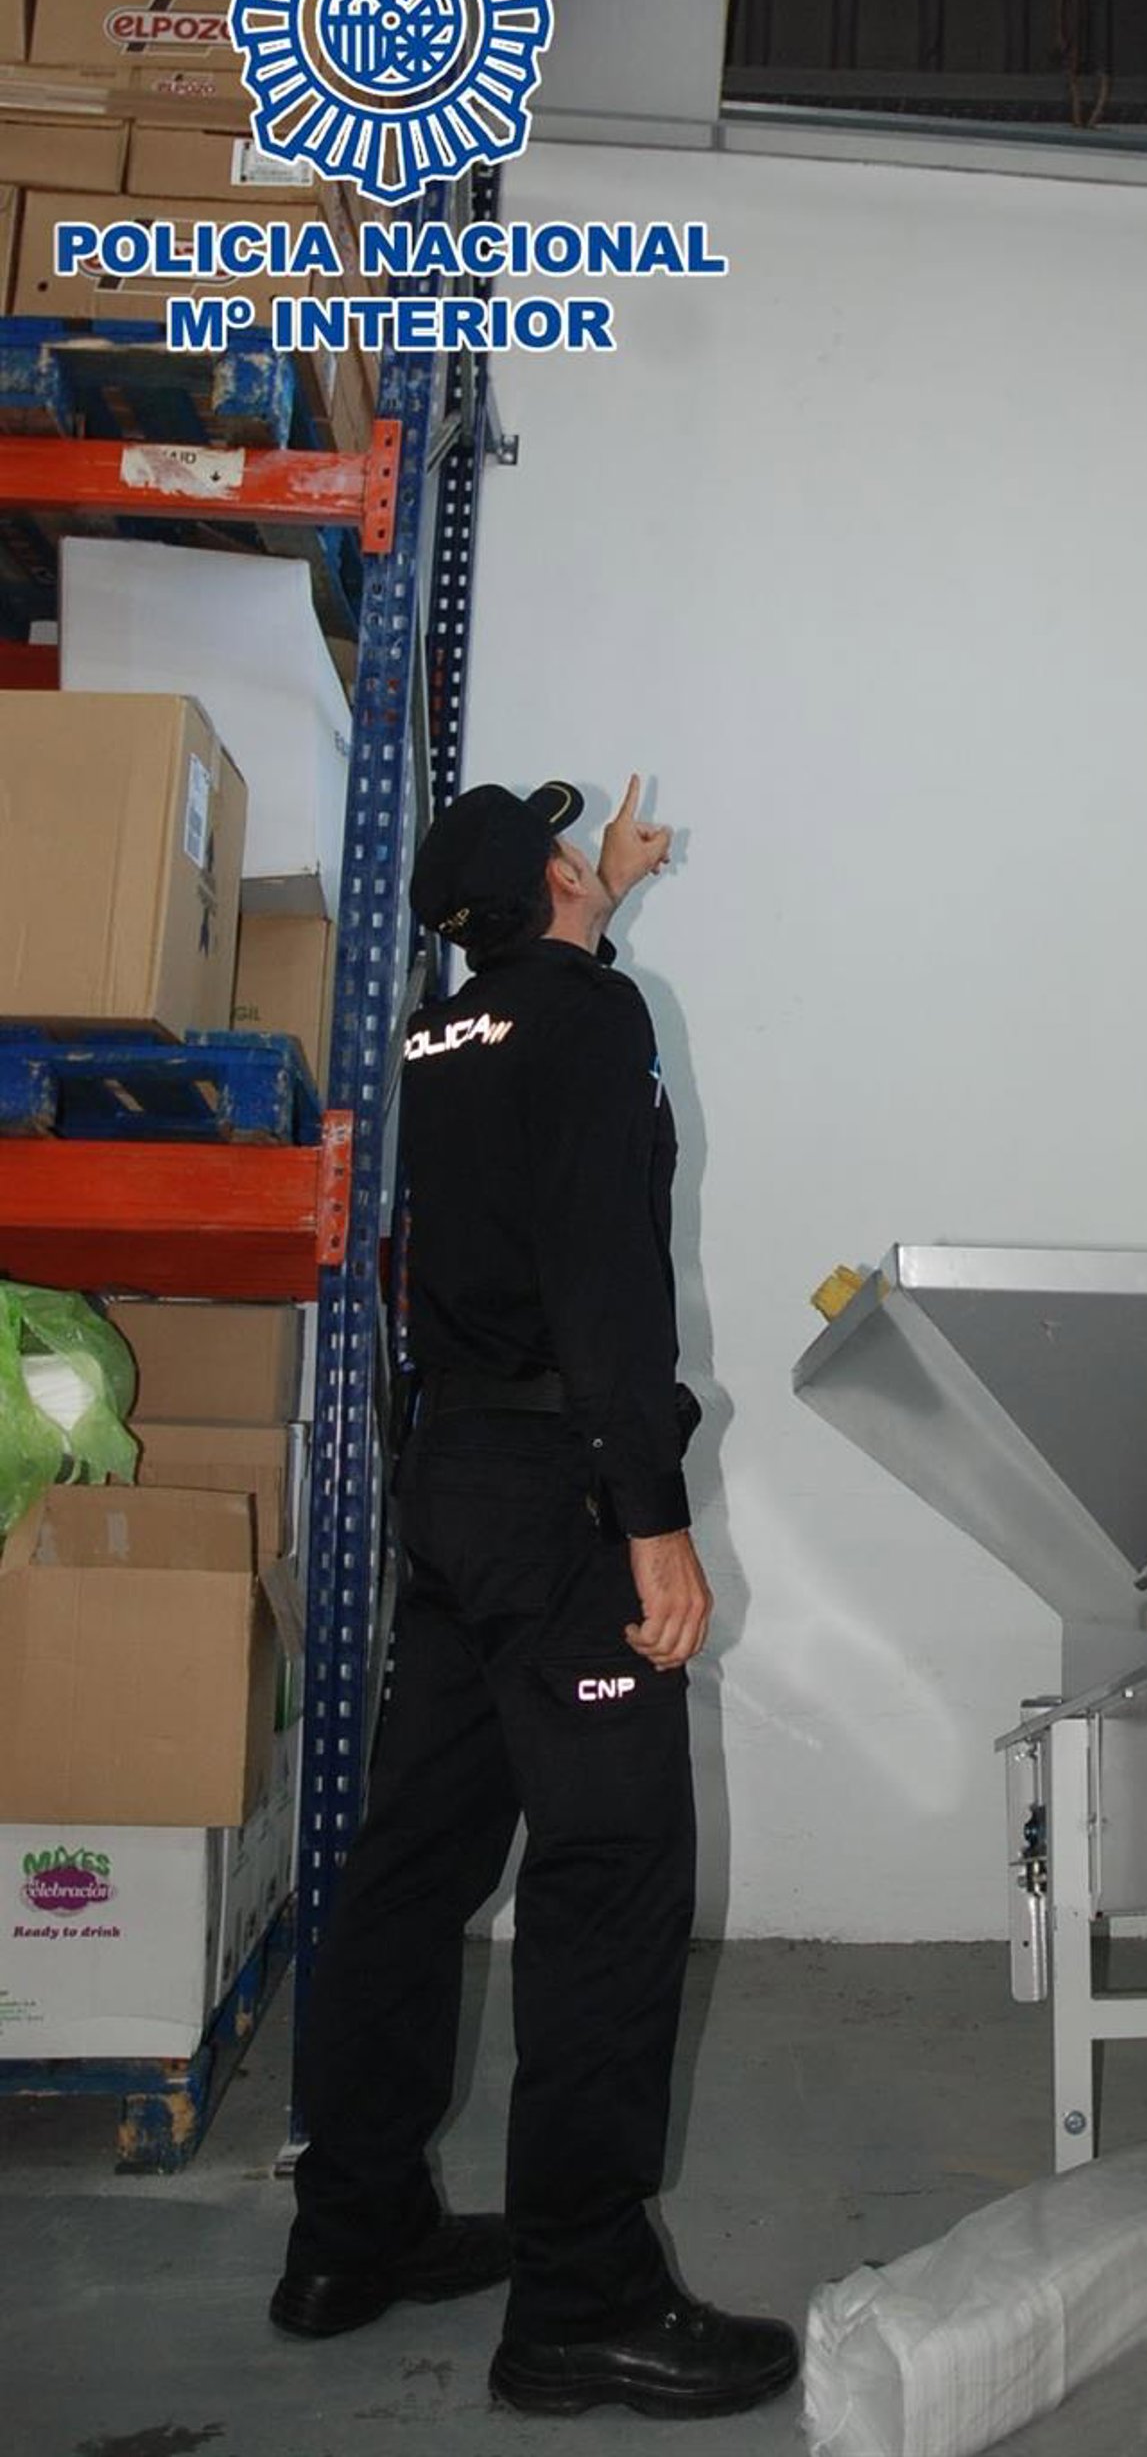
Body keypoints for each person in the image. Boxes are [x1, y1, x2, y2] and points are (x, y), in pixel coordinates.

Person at [270, 773, 798, 2422]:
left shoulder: (437, 1037)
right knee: (611, 1877)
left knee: (413, 1865)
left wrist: (588, 903)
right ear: (552, 888)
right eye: (575, 855)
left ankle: (351, 2233)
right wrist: (652, 1516)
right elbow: (604, 1274)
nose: (592, 861)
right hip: (560, 1497)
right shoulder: (590, 1020)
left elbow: (518, 1023)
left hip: (452, 1491)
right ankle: (585, 2298)